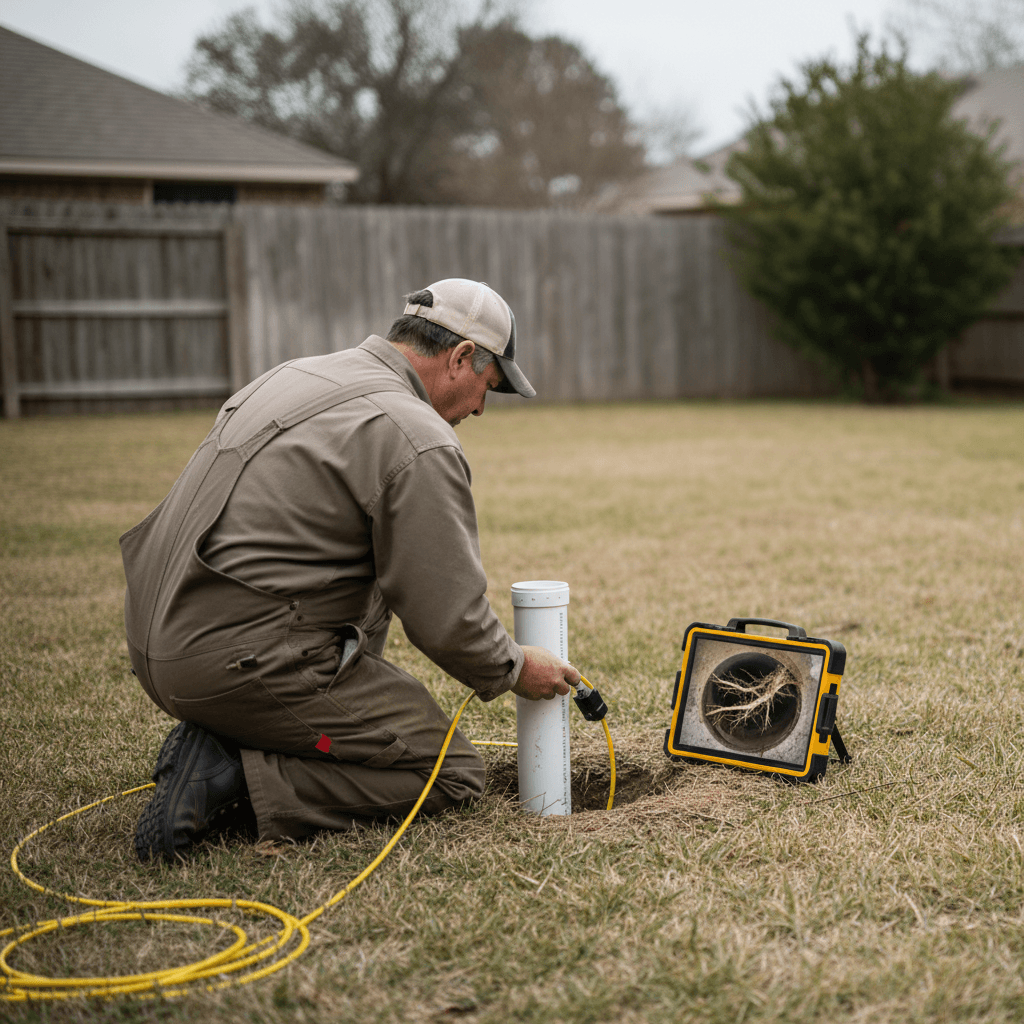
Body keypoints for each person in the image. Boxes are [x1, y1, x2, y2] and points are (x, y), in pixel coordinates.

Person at [121, 278, 579, 863]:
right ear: (462, 357)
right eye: (487, 387)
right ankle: (236, 776)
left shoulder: (293, 376)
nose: (481, 408)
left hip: (156, 643)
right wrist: (514, 667)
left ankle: (228, 730)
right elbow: (447, 619)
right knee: (451, 774)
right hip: (234, 662)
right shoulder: (417, 436)